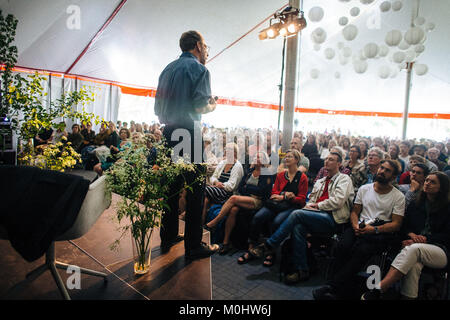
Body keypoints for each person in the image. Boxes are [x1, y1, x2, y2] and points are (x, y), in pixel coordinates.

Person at [154, 30, 218, 260]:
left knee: (171, 188)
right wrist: (212, 106)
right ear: (199, 46)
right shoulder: (200, 69)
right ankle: (193, 245)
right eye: (206, 47)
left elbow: (157, 108)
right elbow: (201, 106)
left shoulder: (167, 69)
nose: (207, 52)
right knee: (195, 189)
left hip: (168, 131)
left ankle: (169, 234)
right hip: (188, 132)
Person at [251, 151, 355, 283]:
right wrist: (311, 206)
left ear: (339, 164)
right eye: (326, 159)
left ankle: (269, 245)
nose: (327, 161)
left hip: (333, 218)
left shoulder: (344, 179)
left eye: (332, 159)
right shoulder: (321, 181)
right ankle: (302, 270)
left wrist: (316, 206)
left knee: (297, 213)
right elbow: (310, 200)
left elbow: (337, 202)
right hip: (316, 215)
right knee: (298, 228)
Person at [313, 160, 405, 300]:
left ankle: (332, 286)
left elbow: (396, 224)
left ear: (393, 177)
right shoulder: (365, 189)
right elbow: (355, 212)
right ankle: (339, 287)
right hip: (359, 226)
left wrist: (373, 230)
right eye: (382, 168)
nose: (382, 171)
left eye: (387, 171)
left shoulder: (398, 196)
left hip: (379, 232)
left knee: (361, 251)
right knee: (342, 246)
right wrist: (355, 226)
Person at [361, 172, 450, 300]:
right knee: (414, 265)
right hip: (414, 247)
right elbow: (404, 226)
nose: (427, 184)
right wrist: (410, 234)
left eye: (433, 182)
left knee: (414, 249)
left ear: (442, 187)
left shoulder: (447, 207)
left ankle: (380, 288)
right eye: (427, 180)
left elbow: (446, 235)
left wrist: (426, 239)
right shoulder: (416, 203)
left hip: (441, 250)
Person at [237, 149, 308, 265]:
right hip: (276, 204)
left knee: (276, 222)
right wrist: (284, 195)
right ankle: (252, 246)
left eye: (290, 157)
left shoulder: (302, 177)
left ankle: (271, 252)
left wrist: (285, 197)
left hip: (291, 206)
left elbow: (302, 199)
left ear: (296, 160)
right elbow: (273, 192)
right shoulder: (281, 175)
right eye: (286, 157)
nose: (286, 158)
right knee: (257, 217)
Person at [204, 151, 273, 255]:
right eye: (255, 156)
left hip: (258, 201)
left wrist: (248, 188)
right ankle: (226, 242)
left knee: (233, 198)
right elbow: (241, 187)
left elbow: (262, 191)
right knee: (233, 210)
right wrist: (249, 189)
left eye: (259, 157)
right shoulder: (250, 171)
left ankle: (214, 222)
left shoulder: (266, 173)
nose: (255, 158)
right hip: (246, 197)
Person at [202, 142, 244, 224]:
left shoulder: (237, 166)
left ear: (234, 153)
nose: (226, 151)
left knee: (204, 189)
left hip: (227, 193)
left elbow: (232, 186)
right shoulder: (223, 163)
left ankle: (186, 213)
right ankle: (202, 224)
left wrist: (222, 185)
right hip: (216, 190)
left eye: (228, 149)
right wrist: (216, 182)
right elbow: (213, 177)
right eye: (225, 149)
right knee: (205, 199)